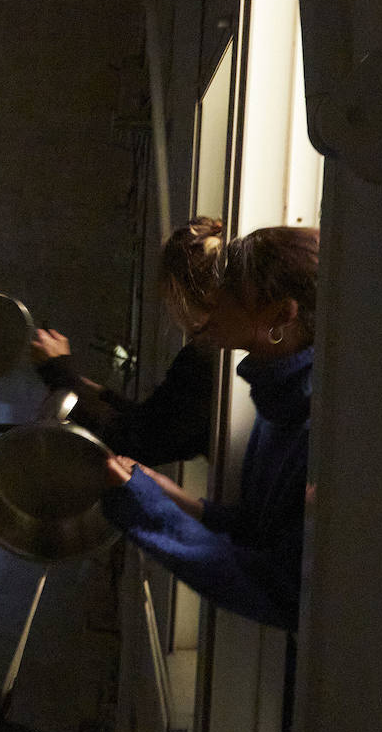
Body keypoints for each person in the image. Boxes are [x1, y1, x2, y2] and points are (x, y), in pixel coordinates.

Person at [101, 225, 318, 630]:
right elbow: (260, 533)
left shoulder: (315, 429)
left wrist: (152, 512)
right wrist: (185, 503)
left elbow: (282, 589)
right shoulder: (278, 403)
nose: (214, 301)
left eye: (232, 290)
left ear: (280, 315)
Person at [30, 217, 222, 465]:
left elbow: (136, 441)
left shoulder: (205, 356)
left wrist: (59, 374)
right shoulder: (214, 352)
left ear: (176, 290)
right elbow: (152, 421)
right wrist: (89, 389)